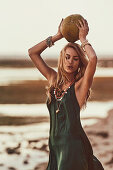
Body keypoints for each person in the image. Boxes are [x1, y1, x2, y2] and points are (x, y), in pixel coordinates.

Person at [28, 18, 104, 170]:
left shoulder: (79, 86)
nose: (70, 62)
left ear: (79, 63)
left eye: (75, 59)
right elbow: (32, 53)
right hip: (55, 147)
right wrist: (57, 36)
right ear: (61, 59)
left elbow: (93, 58)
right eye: (67, 57)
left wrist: (83, 39)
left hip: (73, 147)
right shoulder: (53, 79)